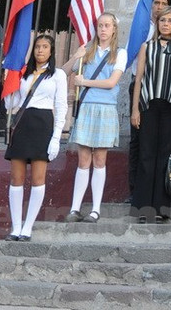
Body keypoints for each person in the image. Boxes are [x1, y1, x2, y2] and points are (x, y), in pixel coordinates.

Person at [4, 31, 67, 241]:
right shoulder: (23, 73)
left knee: (38, 178)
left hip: (43, 124)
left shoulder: (58, 75)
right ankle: (15, 226)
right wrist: (9, 83)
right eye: (38, 46)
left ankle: (27, 227)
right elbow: (11, 105)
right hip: (23, 123)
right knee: (16, 177)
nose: (40, 50)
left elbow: (61, 106)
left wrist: (56, 137)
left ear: (51, 51)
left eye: (45, 47)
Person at [130, 5, 171, 223]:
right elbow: (139, 79)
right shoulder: (148, 47)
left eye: (170, 21)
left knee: (164, 158)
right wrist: (135, 109)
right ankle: (143, 209)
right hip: (148, 106)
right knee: (146, 156)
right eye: (163, 20)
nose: (166, 24)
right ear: (158, 23)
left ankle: (161, 208)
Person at [67, 12, 126, 223]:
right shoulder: (87, 52)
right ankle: (75, 208)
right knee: (83, 160)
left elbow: (111, 82)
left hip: (105, 108)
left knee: (99, 160)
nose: (103, 29)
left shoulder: (119, 53)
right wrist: (75, 57)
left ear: (113, 29)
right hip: (87, 107)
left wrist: (85, 83)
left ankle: (95, 208)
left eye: (107, 25)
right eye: (100, 25)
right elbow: (63, 72)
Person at [126, 0, 171, 201]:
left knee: (155, 145)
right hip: (140, 86)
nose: (159, 7)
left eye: (164, 4)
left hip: (161, 92)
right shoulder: (141, 27)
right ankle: (134, 190)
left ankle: (158, 192)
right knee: (137, 141)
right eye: (156, 3)